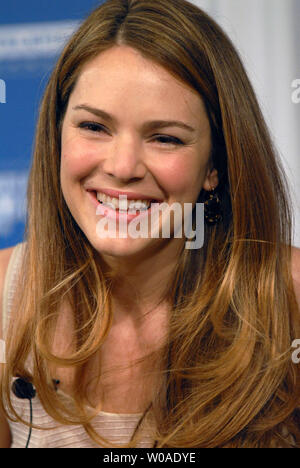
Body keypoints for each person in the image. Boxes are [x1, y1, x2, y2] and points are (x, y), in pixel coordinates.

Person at [0, 0, 300, 449]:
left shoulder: (289, 296)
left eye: (165, 138)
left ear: (214, 165)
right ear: (58, 134)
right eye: (94, 127)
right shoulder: (4, 293)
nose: (122, 167)